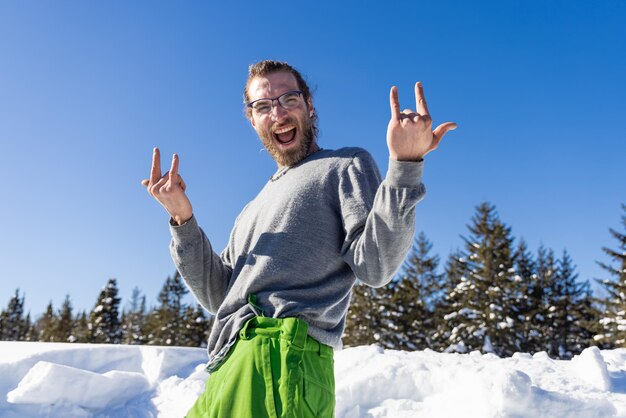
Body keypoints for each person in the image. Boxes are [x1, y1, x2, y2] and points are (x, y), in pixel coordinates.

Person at [142, 60, 456, 418]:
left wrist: (404, 165)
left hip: (285, 356)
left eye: (288, 99)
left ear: (309, 105)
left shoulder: (344, 164)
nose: (277, 112)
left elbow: (375, 266)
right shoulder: (251, 207)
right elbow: (218, 295)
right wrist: (183, 219)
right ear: (252, 119)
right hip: (227, 362)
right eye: (263, 106)